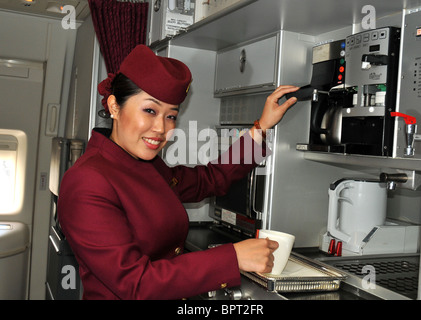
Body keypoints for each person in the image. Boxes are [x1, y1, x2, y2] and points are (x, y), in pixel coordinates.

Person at [58, 44, 299, 300]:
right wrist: (233, 258)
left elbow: (210, 180)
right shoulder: (88, 180)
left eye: (171, 116)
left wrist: (260, 128)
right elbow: (135, 283)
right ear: (115, 107)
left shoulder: (146, 164)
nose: (161, 128)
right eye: (150, 111)